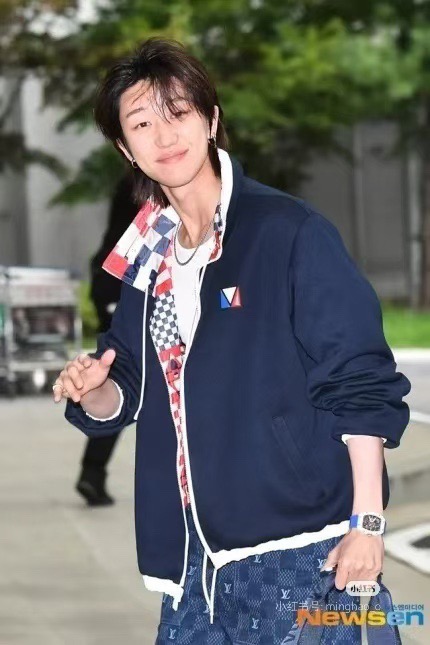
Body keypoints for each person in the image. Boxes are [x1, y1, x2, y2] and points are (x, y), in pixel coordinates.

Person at [53, 38, 411, 644]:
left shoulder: (288, 232)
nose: (165, 135)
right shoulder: (148, 254)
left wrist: (367, 525)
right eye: (142, 123)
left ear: (212, 119)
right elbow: (130, 384)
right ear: (125, 148)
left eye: (178, 112)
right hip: (190, 564)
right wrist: (94, 391)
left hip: (303, 554)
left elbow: (360, 383)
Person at [75, 174, 137, 506]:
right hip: (122, 284)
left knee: (121, 379)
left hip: (111, 280)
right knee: (122, 379)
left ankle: (93, 472)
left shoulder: (132, 180)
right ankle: (92, 472)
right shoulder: (150, 182)